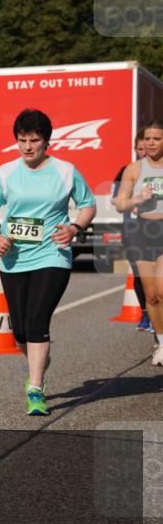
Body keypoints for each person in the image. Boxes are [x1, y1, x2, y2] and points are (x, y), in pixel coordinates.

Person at [0, 109, 96, 415]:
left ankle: (35, 388)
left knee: (37, 320)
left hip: (52, 255)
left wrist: (75, 228)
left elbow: (88, 205)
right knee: (20, 330)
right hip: (14, 258)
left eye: (34, 140)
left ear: (47, 141)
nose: (28, 147)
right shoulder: (6, 173)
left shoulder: (66, 171)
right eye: (22, 140)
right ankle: (37, 356)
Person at [112, 120, 163, 363]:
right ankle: (161, 341)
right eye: (148, 139)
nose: (151, 143)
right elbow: (120, 202)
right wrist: (137, 198)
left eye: (157, 139)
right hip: (143, 231)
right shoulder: (133, 169)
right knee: (151, 295)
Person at [111, 130, 150, 331]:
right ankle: (145, 314)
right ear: (135, 149)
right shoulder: (127, 171)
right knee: (139, 275)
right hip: (133, 230)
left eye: (148, 148)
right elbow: (115, 199)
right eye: (140, 148)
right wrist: (132, 201)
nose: (144, 152)